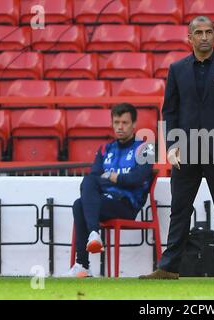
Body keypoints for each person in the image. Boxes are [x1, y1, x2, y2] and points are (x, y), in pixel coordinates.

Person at [139, 16, 214, 280]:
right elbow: (170, 110)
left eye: (208, 32)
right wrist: (172, 147)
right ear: (189, 38)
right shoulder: (176, 69)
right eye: (198, 32)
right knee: (179, 209)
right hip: (186, 149)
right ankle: (168, 268)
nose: (204, 37)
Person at [67, 103, 153, 277]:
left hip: (126, 205)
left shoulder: (146, 148)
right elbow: (94, 177)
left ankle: (85, 256)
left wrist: (114, 178)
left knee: (81, 204)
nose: (120, 127)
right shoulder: (105, 149)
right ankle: (90, 246)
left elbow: (138, 178)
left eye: (125, 122)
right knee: (81, 197)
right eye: (116, 122)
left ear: (134, 124)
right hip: (103, 201)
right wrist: (111, 180)